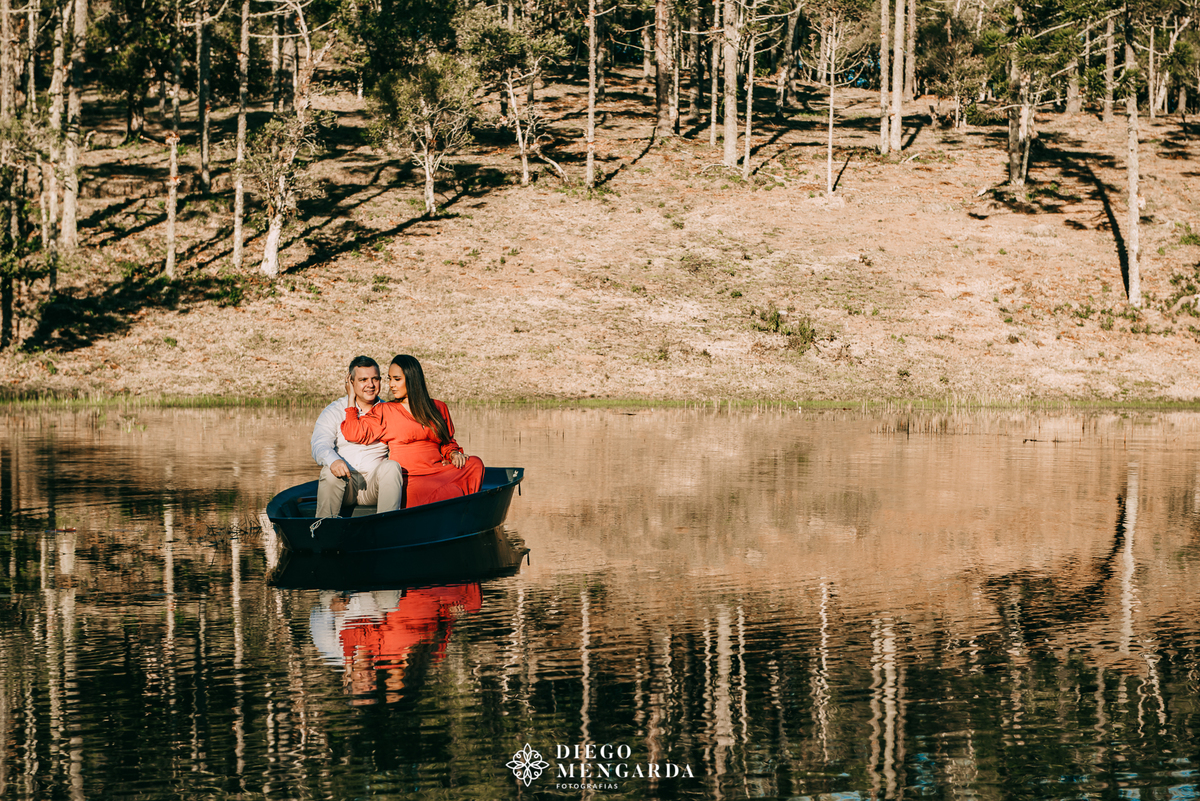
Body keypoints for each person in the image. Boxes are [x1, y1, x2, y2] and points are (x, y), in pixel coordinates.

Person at [340, 354, 484, 508]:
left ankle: (449, 499)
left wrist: (454, 454)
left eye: (397, 379)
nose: (391, 385)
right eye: (389, 379)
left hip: (439, 472)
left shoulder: (438, 407)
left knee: (475, 464)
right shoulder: (385, 410)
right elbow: (353, 432)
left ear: (412, 379)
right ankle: (450, 500)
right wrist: (351, 398)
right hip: (411, 477)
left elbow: (447, 443)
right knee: (447, 492)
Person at [311, 356, 404, 518]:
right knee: (329, 472)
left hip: (374, 485)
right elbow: (319, 444)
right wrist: (333, 460)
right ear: (350, 382)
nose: (370, 385)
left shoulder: (389, 411)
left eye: (375, 379)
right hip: (345, 483)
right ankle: (325, 531)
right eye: (363, 380)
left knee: (392, 467)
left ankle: (387, 529)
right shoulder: (334, 410)